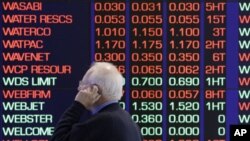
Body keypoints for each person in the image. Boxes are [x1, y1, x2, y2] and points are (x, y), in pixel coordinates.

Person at [51, 62, 142, 141]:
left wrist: (78, 105)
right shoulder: (131, 123)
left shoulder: (103, 122)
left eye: (83, 85)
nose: (79, 89)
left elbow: (58, 138)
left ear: (95, 89)